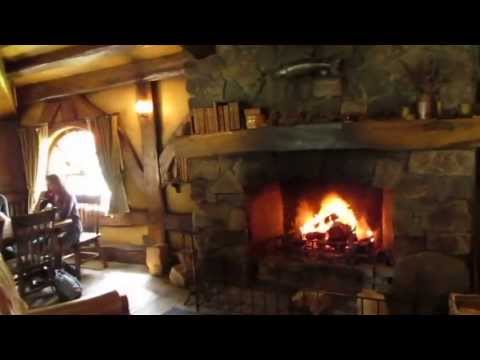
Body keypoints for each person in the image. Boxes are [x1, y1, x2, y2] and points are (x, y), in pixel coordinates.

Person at [36, 174, 83, 254]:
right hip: (58, 228)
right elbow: (39, 209)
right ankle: (47, 263)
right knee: (39, 244)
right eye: (47, 184)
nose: (48, 186)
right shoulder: (54, 195)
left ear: (56, 184)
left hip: (73, 229)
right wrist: (42, 198)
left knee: (53, 245)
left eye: (49, 184)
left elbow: (63, 215)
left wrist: (50, 215)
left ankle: (57, 264)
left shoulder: (68, 196)